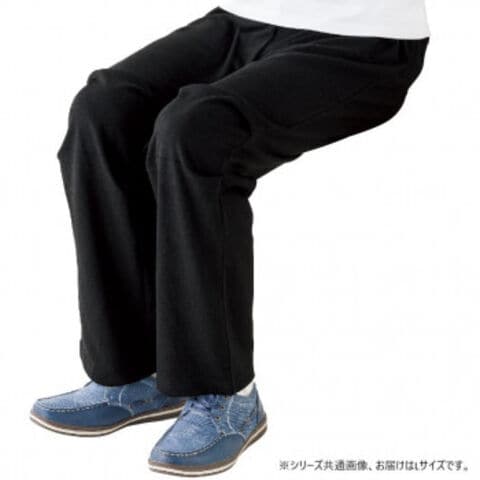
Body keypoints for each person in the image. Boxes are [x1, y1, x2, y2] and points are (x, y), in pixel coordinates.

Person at [30, 1, 430, 476]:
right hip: (246, 18)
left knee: (197, 131)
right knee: (102, 112)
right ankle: (133, 372)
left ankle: (228, 394)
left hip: (364, 38)